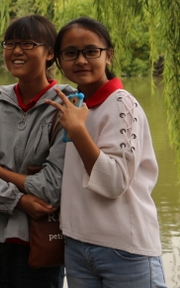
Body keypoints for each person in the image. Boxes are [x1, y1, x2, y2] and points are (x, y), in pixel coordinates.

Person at [46, 17, 166, 288]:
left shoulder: (122, 105)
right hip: (78, 245)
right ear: (59, 60)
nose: (81, 60)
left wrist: (78, 131)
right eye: (70, 53)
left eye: (91, 51)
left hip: (124, 250)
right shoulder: (75, 105)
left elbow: (114, 182)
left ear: (108, 55)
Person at [0, 14, 75, 288]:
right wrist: (18, 201)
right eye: (10, 44)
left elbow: (52, 187)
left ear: (50, 53)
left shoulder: (68, 105)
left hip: (39, 242)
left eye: (27, 44)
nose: (16, 51)